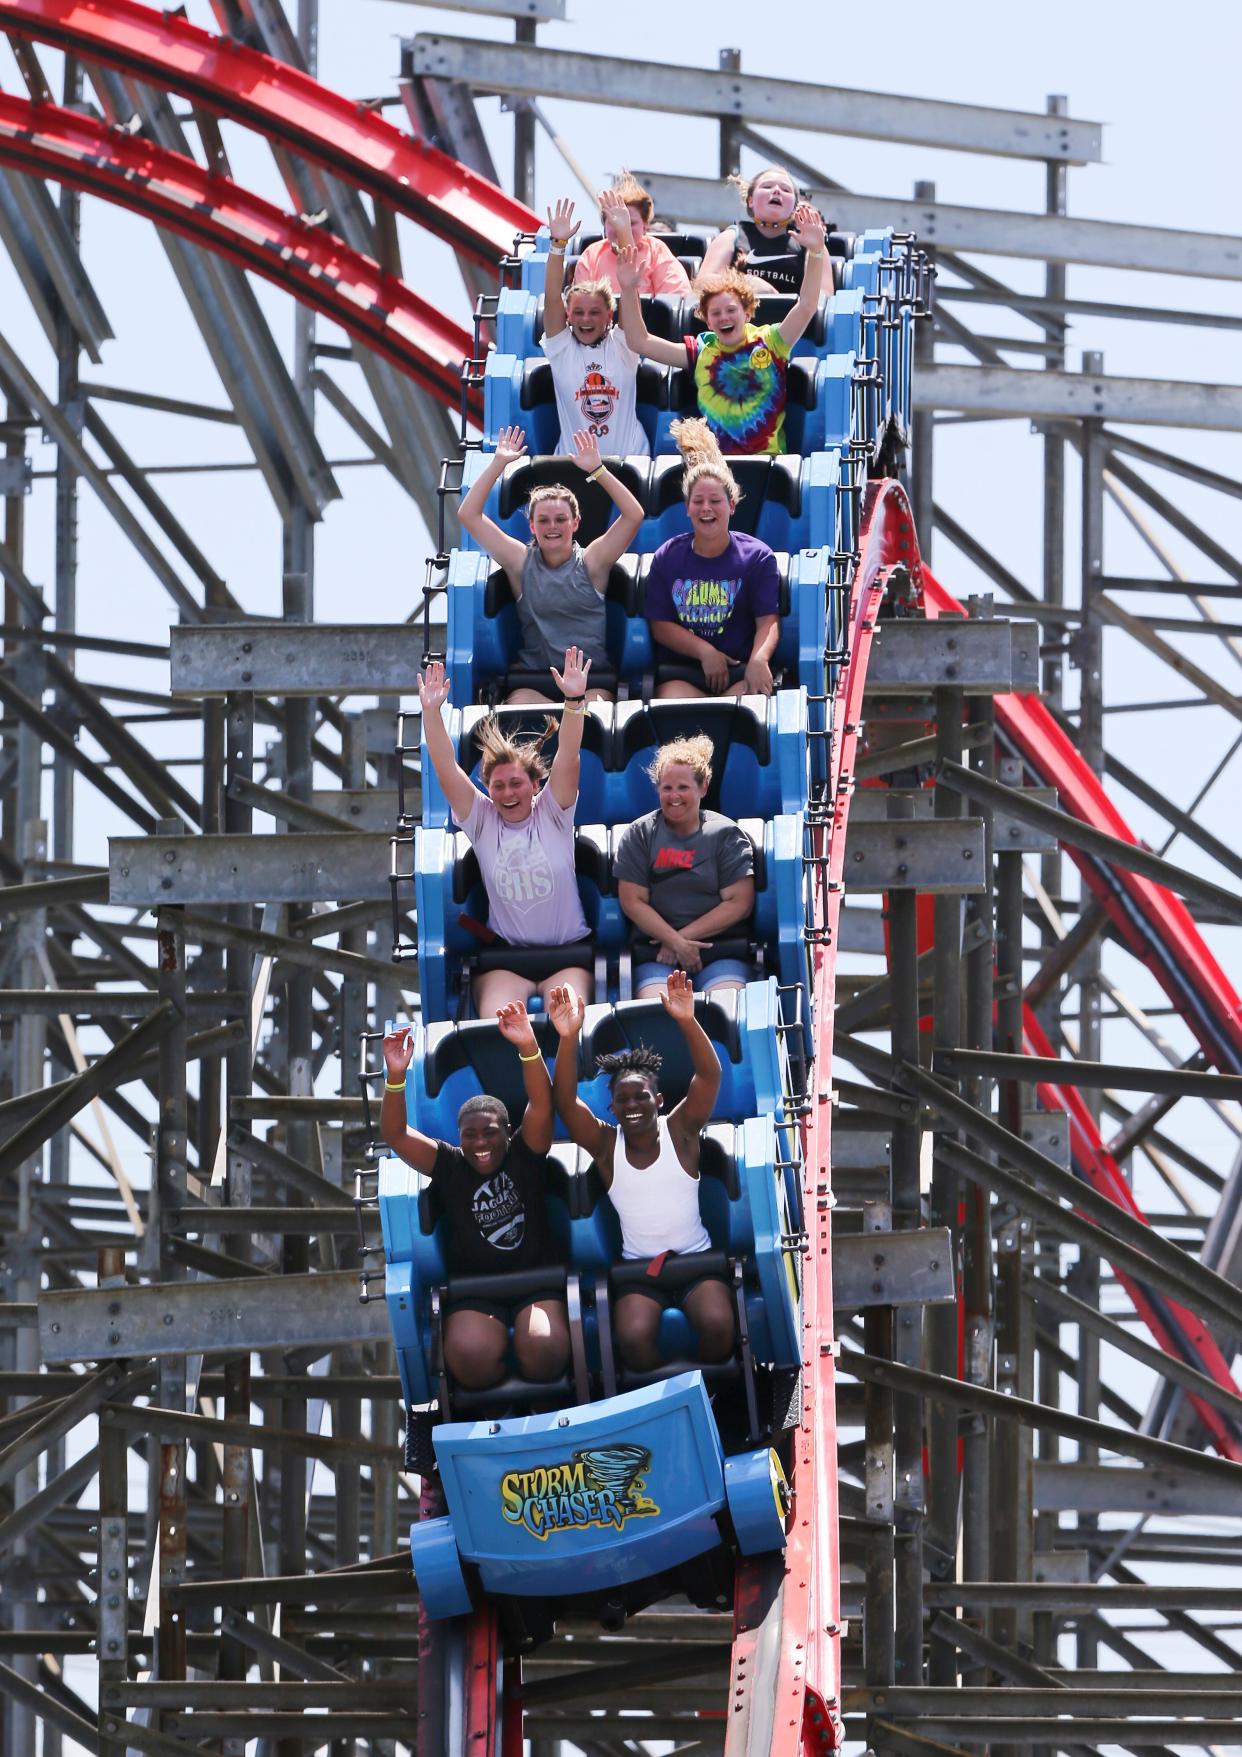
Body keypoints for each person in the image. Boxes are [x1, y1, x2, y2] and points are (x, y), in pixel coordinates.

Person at [549, 972, 735, 1370]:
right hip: (638, 1270)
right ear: (612, 1108)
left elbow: (709, 1076)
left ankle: (711, 1395)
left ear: (659, 1100)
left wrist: (687, 1019)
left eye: (641, 1096)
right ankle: (662, 1398)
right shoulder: (605, 1146)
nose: (632, 1105)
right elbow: (565, 1105)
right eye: (622, 1099)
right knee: (632, 1339)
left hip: (695, 1262)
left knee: (719, 1326)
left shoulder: (680, 1131)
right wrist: (567, 1038)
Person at [381, 1006, 570, 1391]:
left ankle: (545, 1406)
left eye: (490, 1133)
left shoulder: (525, 1153)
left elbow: (542, 1104)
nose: (480, 1143)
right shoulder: (450, 1165)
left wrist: (527, 1046)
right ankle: (502, 1410)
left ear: (507, 1131)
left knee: (543, 1348)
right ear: (459, 1137)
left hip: (536, 1281)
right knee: (469, 1358)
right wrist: (396, 1076)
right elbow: (396, 1135)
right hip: (475, 1291)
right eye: (470, 1135)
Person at [418, 652, 594, 1014]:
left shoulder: (553, 813)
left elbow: (569, 756)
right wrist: (431, 713)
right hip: (508, 960)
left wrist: (574, 702)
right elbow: (445, 767)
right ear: (487, 789)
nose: (508, 793)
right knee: (500, 1024)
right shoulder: (482, 821)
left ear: (535, 784)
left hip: (566, 955)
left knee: (569, 1016)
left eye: (516, 783)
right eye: (498, 786)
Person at [616, 203, 827, 457]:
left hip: (767, 464)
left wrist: (816, 251)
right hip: (716, 468)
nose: (724, 317)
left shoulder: (771, 341)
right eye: (715, 313)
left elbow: (806, 306)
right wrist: (628, 290)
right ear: (707, 320)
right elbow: (640, 342)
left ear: (747, 313)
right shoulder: (701, 351)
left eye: (730, 310)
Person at [458, 422, 642, 703]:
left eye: (560, 520)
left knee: (593, 713)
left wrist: (598, 470)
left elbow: (633, 515)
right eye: (543, 520)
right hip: (537, 682)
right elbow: (468, 514)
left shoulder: (593, 562)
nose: (552, 527)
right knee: (518, 708)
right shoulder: (520, 562)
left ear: (575, 523)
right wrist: (498, 463)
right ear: (532, 526)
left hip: (589, 683)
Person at [642, 419, 780, 698]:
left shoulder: (758, 557)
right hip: (685, 672)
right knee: (674, 705)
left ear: (731, 505)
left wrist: (759, 659)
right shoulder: (667, 557)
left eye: (715, 501)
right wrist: (705, 652)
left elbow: (768, 621)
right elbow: (660, 626)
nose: (707, 508)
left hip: (738, 670)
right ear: (687, 508)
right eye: (698, 501)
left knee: (751, 699)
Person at [614, 735, 755, 997]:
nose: (674, 796)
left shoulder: (726, 835)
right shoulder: (640, 834)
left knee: (723, 1009)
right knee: (661, 1010)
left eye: (683, 787)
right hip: (657, 954)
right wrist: (674, 942)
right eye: (667, 788)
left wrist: (681, 941)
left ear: (703, 788)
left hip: (720, 949)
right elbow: (633, 901)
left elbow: (739, 903)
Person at [542, 198, 650, 457]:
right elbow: (552, 297)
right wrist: (558, 245)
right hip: (574, 467)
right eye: (578, 312)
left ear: (609, 316)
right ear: (569, 316)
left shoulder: (623, 345)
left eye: (594, 312)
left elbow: (629, 286)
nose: (586, 319)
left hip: (629, 463)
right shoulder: (562, 349)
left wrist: (624, 231)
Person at [698, 166, 817, 296]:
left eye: (786, 190)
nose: (777, 191)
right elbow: (702, 283)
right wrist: (747, 282)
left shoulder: (810, 244)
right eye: (767, 187)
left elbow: (823, 296)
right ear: (750, 201)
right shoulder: (732, 236)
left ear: (794, 207)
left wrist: (817, 249)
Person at [571, 177, 691, 297]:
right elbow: (581, 308)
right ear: (604, 227)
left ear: (645, 226)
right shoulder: (591, 255)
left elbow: (677, 298)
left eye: (630, 223)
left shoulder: (657, 252)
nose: (621, 228)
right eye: (613, 222)